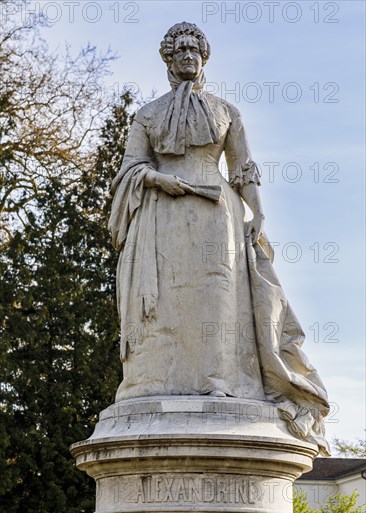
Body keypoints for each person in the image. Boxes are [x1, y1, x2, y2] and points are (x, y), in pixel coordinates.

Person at [108, 22, 330, 455]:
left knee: (217, 295)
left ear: (204, 57)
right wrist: (156, 178)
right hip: (161, 217)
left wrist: (259, 213)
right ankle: (159, 378)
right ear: (169, 59)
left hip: (218, 215)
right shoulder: (148, 115)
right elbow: (128, 170)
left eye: (195, 48)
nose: (188, 54)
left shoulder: (226, 111)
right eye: (180, 49)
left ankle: (220, 383)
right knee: (167, 301)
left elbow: (243, 168)